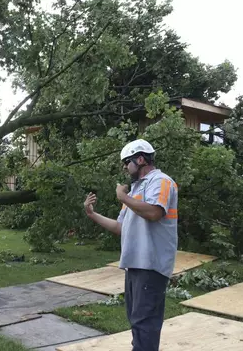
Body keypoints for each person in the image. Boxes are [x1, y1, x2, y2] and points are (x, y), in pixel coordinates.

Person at [83, 139, 178, 351]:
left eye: (127, 162)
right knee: (137, 322)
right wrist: (92, 214)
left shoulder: (161, 182)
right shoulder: (136, 190)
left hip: (152, 264)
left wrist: (122, 196)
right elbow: (120, 227)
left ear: (140, 159)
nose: (125, 167)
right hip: (135, 264)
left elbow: (154, 212)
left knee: (145, 324)